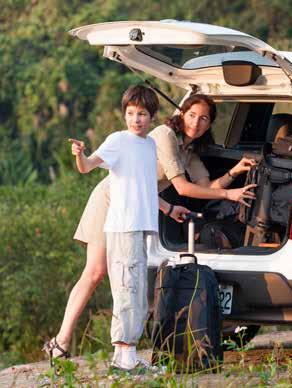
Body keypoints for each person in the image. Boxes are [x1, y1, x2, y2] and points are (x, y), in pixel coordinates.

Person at [43, 93, 256, 363]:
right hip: (113, 199)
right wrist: (230, 195)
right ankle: (65, 342)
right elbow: (182, 187)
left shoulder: (188, 152)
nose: (196, 122)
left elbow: (206, 188)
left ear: (210, 123)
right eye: (192, 115)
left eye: (204, 118)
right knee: (97, 272)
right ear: (181, 113)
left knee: (121, 277)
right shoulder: (163, 136)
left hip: (141, 204)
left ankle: (109, 349)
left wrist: (235, 172)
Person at [65, 84, 162, 371]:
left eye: (142, 114)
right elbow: (87, 167)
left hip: (141, 226)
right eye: (131, 113)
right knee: (126, 288)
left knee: (137, 290)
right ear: (124, 115)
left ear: (152, 116)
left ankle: (128, 354)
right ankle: (123, 358)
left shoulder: (150, 144)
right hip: (123, 226)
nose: (136, 119)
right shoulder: (119, 140)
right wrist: (79, 155)